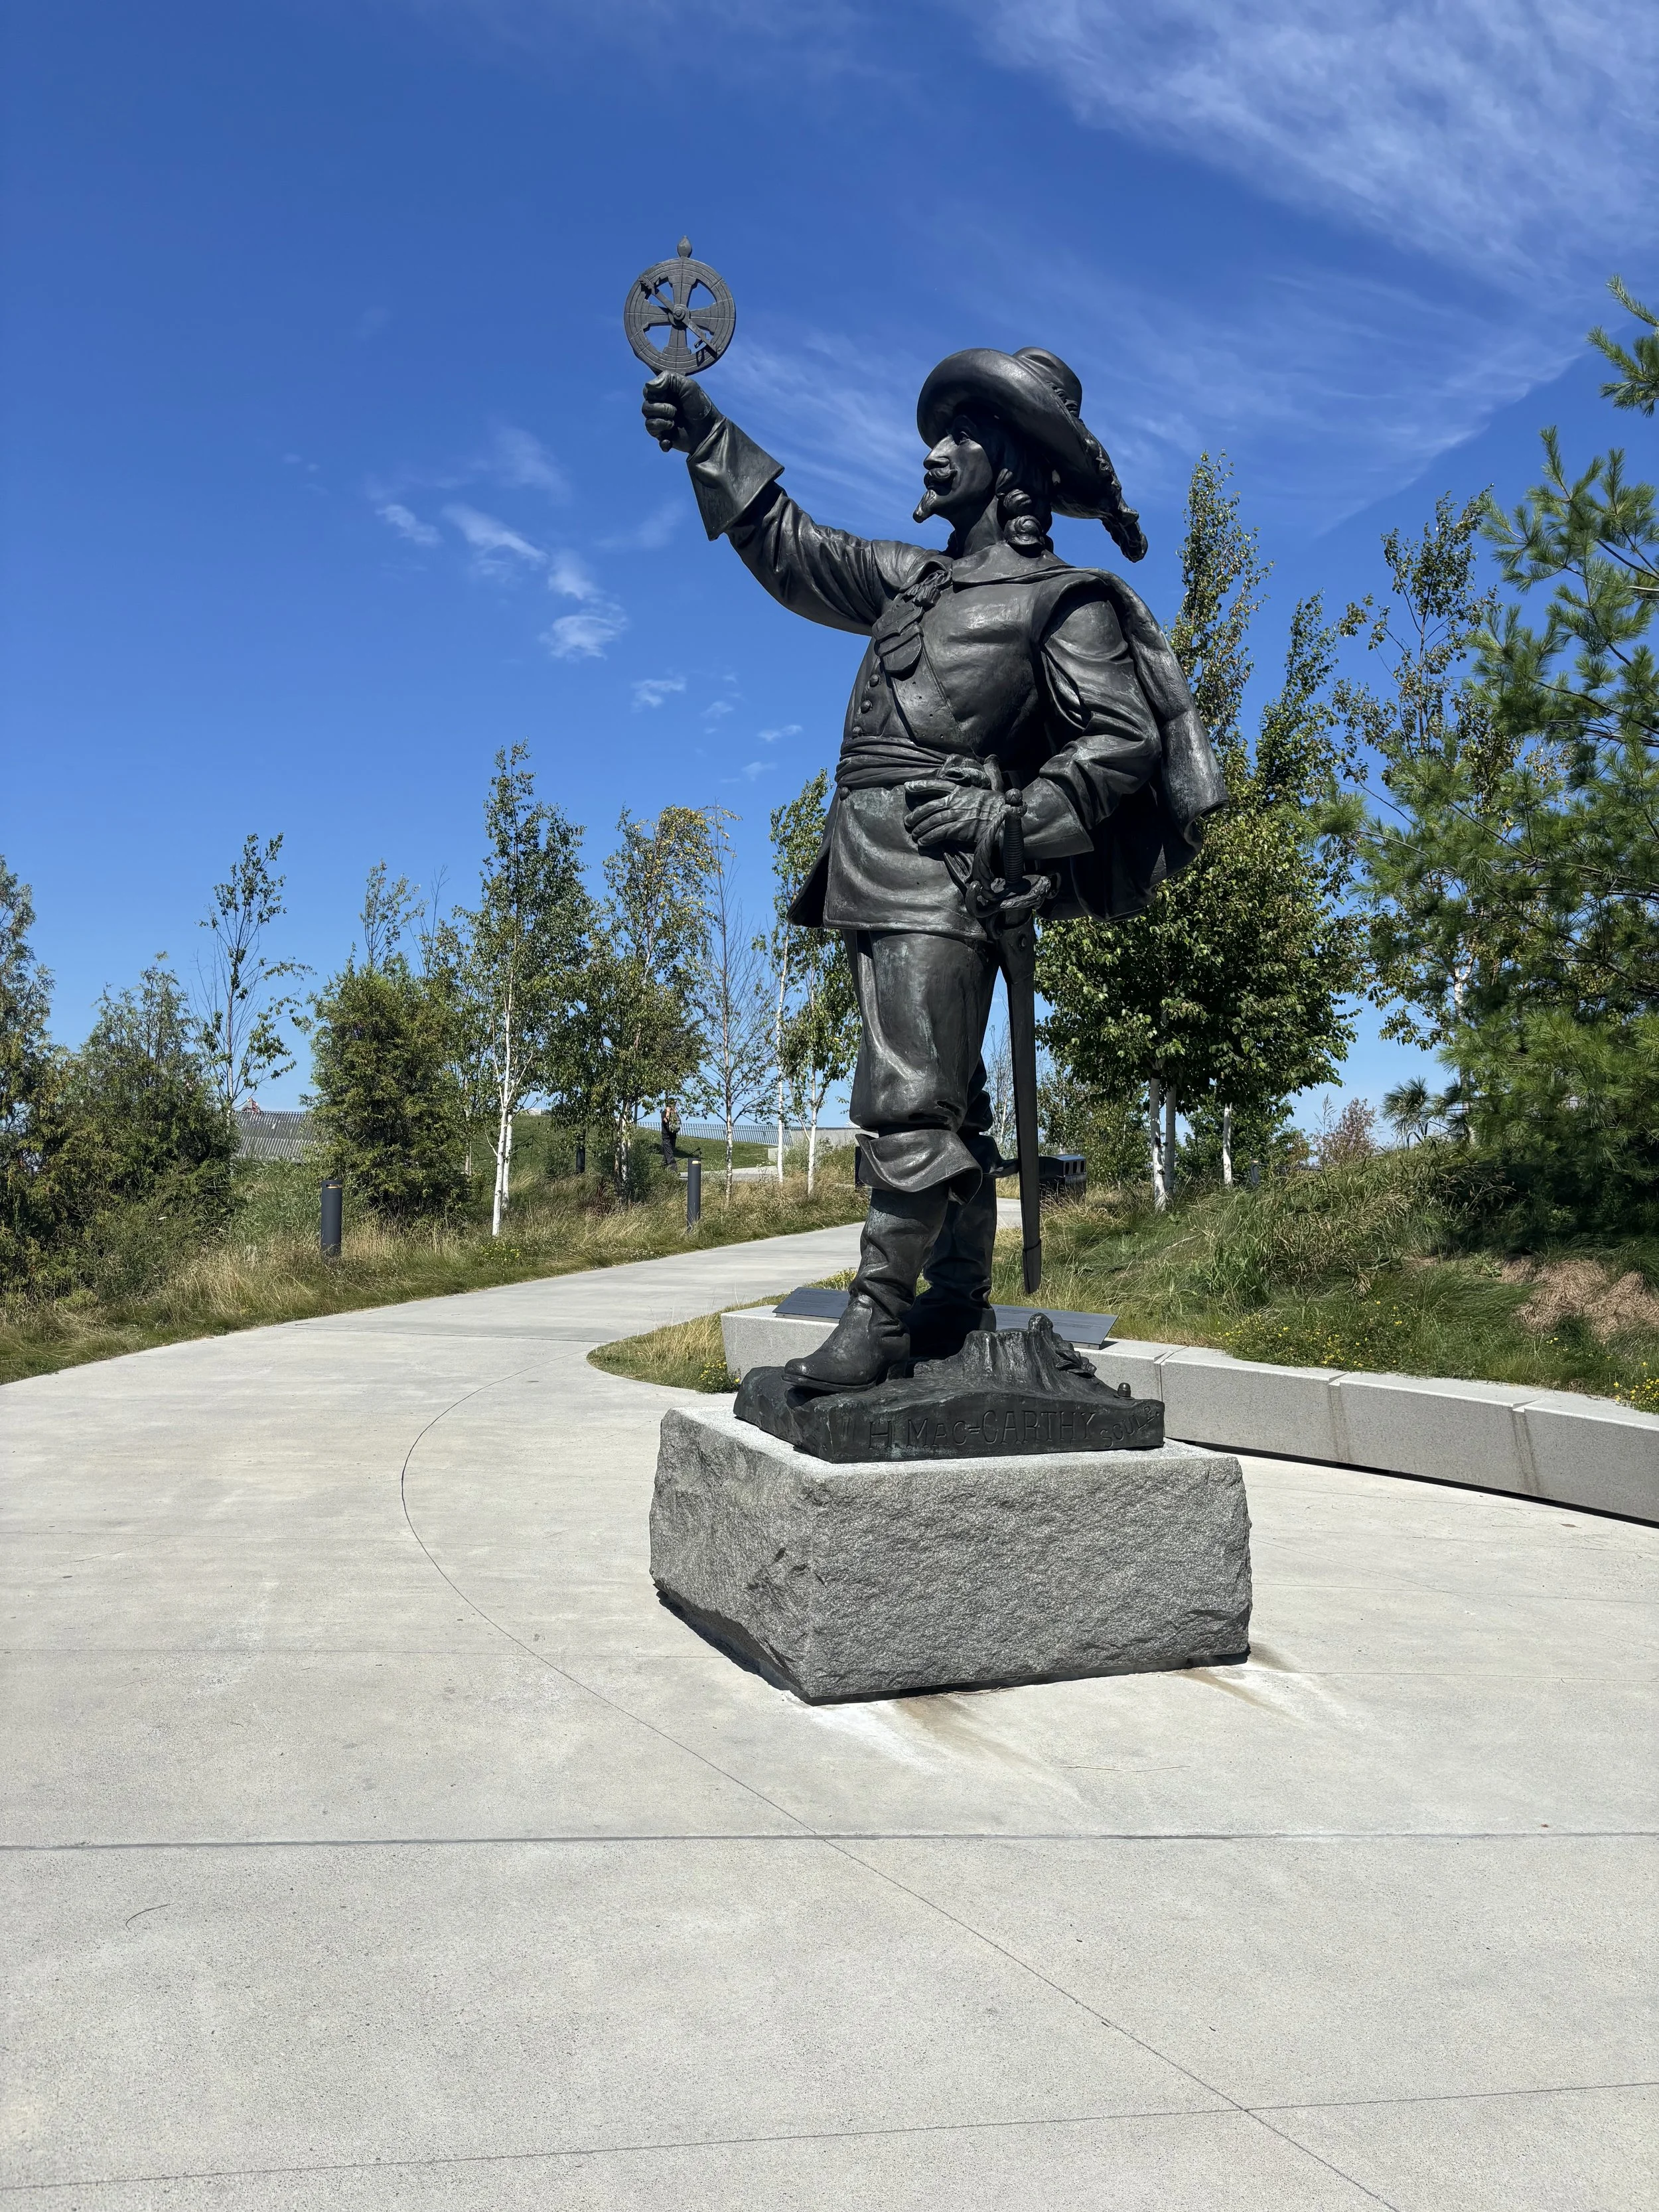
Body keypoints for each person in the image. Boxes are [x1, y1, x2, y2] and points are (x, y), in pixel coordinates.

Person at [643, 347, 1224, 1390]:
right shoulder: (912, 580)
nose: (933, 452)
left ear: (1012, 462)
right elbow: (793, 550)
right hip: (868, 858)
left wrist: (1011, 817)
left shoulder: (1063, 601)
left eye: (960, 434)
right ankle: (955, 1299)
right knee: (954, 1104)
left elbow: (1122, 741)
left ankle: (878, 1316)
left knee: (910, 1101)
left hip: (950, 873)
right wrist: (707, 435)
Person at [660, 1096, 681, 1167]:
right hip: (666, 1137)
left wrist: (675, 1113)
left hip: (673, 1137)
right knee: (670, 1156)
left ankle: (663, 1169)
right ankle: (673, 1170)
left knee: (668, 1155)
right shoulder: (664, 1113)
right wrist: (668, 1112)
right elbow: (666, 1121)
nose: (673, 1106)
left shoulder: (675, 1114)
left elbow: (678, 1123)